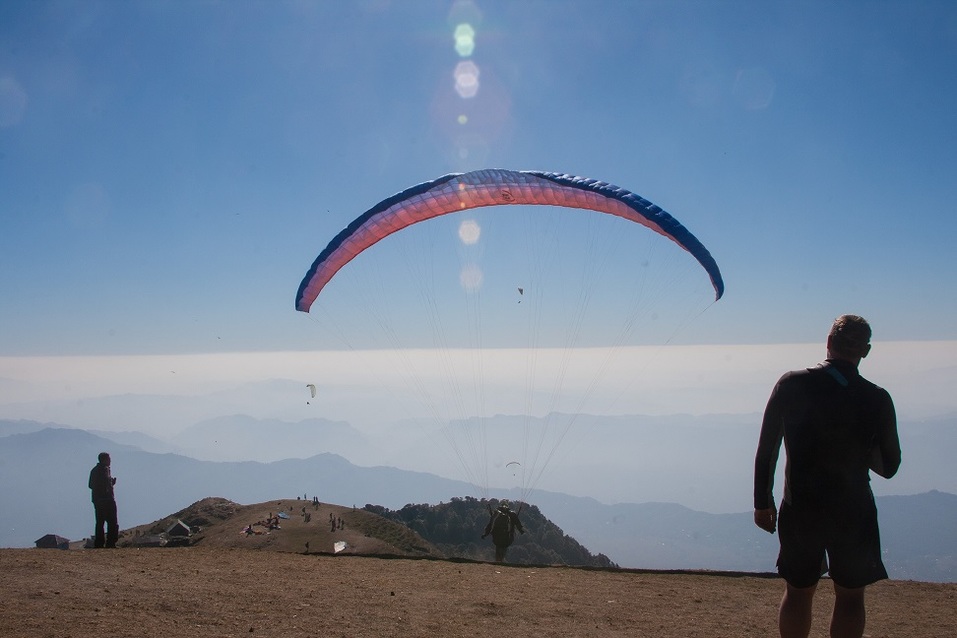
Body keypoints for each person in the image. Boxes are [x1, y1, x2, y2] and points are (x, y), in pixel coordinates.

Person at [753, 315, 901, 638]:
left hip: (801, 507)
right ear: (866, 351)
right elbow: (889, 467)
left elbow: (767, 450)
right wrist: (862, 449)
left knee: (798, 591)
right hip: (854, 511)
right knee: (850, 597)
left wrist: (762, 503)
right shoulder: (877, 398)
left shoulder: (790, 384)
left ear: (829, 342)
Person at [88, 452, 119, 548]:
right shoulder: (104, 470)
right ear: (104, 460)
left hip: (98, 500)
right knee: (112, 522)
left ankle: (99, 543)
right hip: (107, 499)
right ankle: (111, 543)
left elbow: (90, 485)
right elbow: (103, 484)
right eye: (109, 459)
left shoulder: (94, 470)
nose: (110, 461)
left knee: (100, 522)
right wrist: (107, 488)